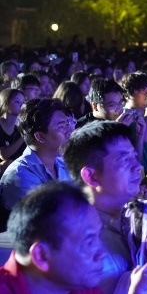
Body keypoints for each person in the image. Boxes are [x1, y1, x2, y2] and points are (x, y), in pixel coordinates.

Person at [63, 121, 145, 294]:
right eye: (124, 159)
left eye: (134, 156)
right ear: (91, 176)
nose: (138, 166)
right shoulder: (74, 240)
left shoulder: (137, 218)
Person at [0, 181, 106, 293]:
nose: (102, 253)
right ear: (41, 255)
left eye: (98, 236)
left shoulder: (80, 285)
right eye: (89, 242)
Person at [0, 99, 72, 227]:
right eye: (62, 126)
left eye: (68, 124)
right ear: (40, 136)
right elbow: (48, 224)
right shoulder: (19, 176)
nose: (69, 131)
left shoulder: (63, 163)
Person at [0, 89, 25, 171]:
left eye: (23, 103)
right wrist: (24, 136)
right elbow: (3, 155)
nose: (21, 106)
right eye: (17, 101)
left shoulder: (18, 130)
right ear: (5, 102)